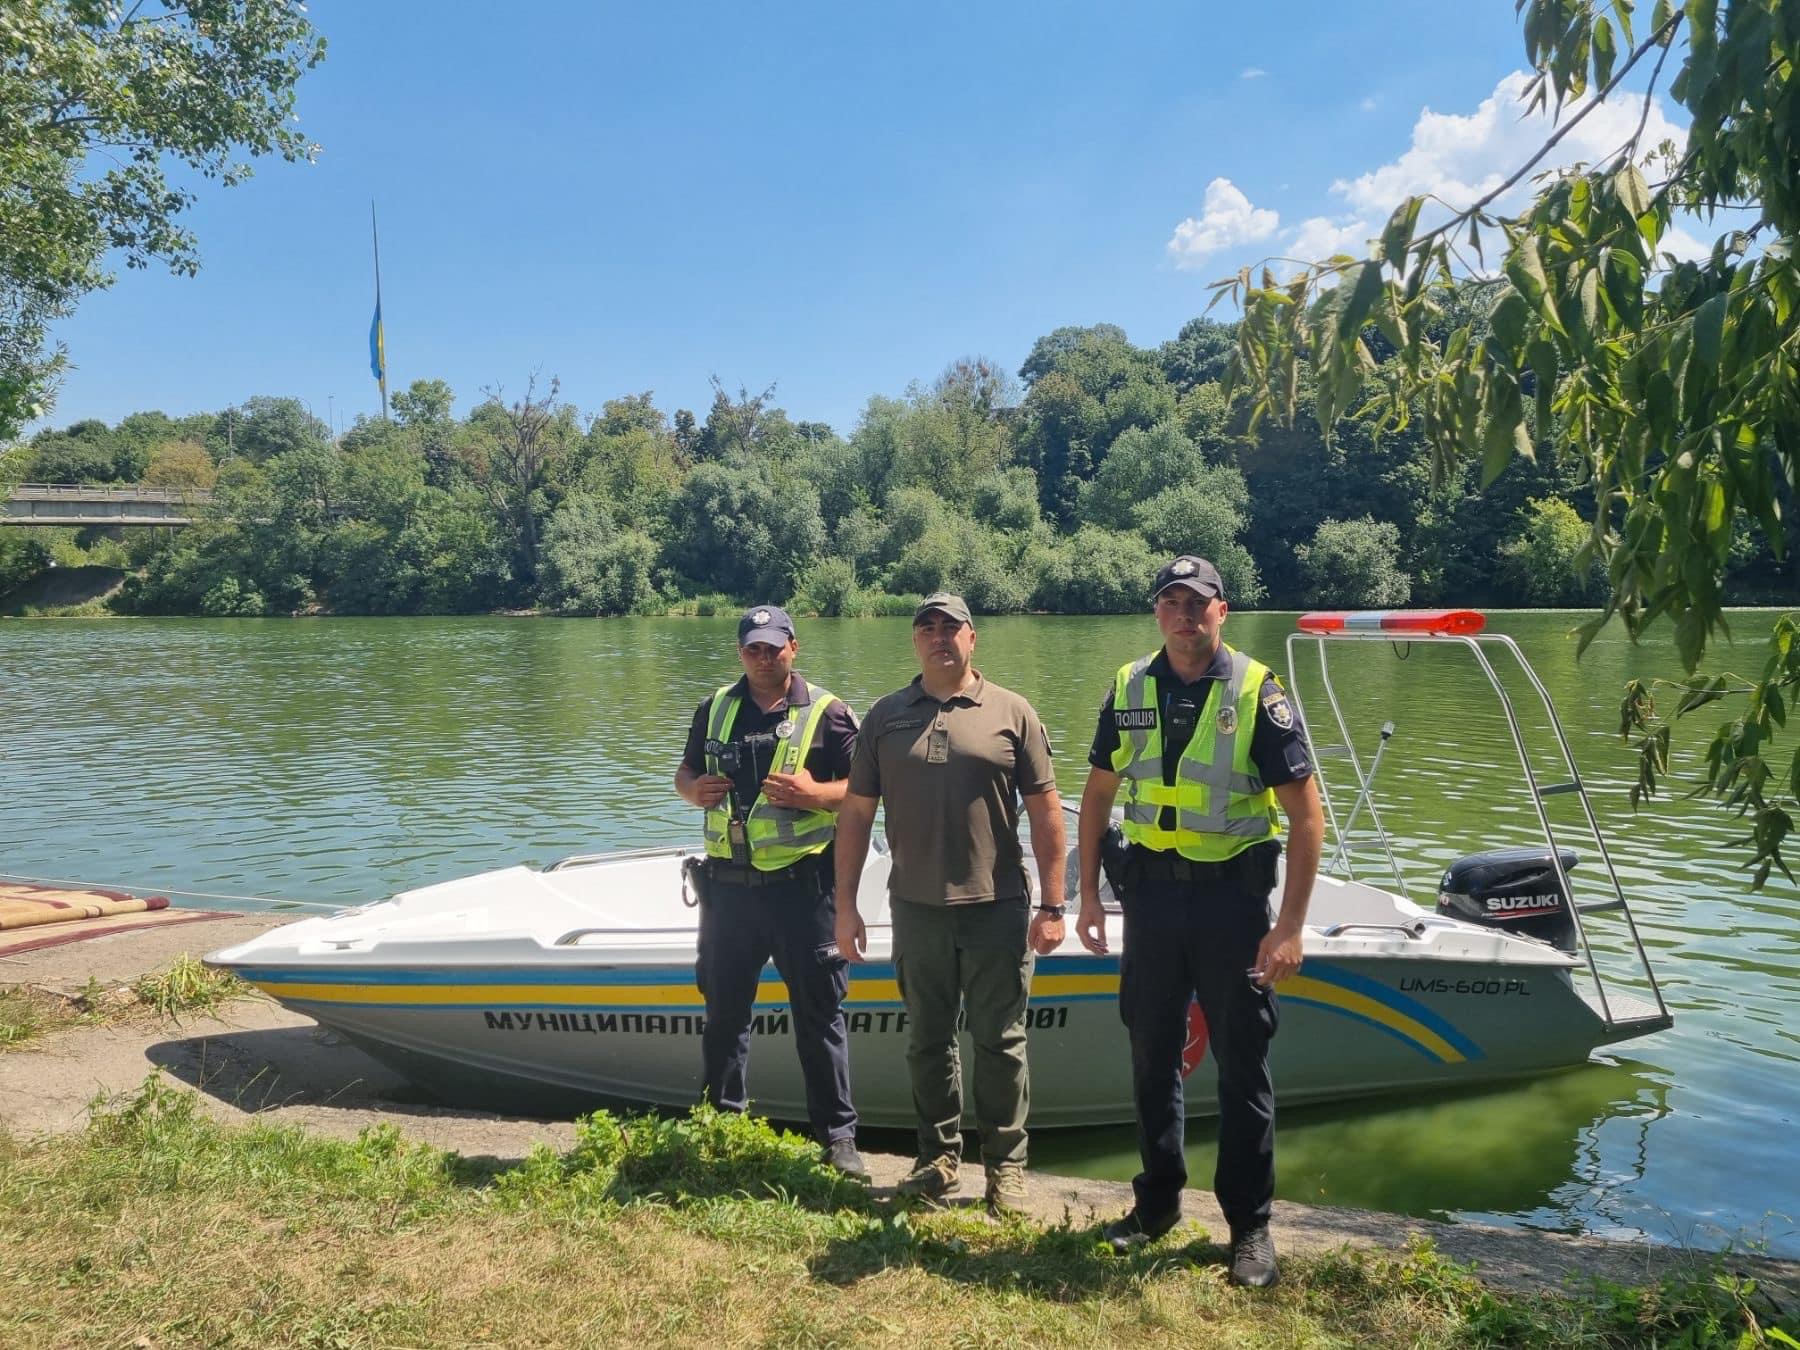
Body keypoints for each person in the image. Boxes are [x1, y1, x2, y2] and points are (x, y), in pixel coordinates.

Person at [1074, 556, 1323, 1288]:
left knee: (1242, 1063)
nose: (1184, 615)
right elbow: (1097, 796)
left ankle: (1249, 1227)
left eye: (1198, 602)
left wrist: (1290, 927)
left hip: (1231, 906)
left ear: (1223, 610)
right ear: (1158, 612)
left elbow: (1307, 818)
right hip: (1150, 901)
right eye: (1171, 602)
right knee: (1152, 1054)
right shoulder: (1129, 685)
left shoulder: (1256, 690)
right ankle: (1157, 1205)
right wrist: (1087, 896)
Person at [834, 592, 1067, 1218]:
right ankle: (937, 1161)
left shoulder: (1012, 712)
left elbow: (1047, 813)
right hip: (917, 908)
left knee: (1000, 1042)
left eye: (951, 627)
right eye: (927, 628)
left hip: (996, 905)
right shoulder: (885, 717)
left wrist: (1053, 904)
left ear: (972, 637)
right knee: (928, 1041)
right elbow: (855, 816)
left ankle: (1005, 1168)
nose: (939, 637)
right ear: (915, 640)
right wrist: (845, 906)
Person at [674, 604, 867, 1179]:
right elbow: (684, 773)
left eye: (773, 648)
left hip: (802, 891)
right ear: (741, 652)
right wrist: (693, 791)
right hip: (727, 892)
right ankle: (720, 1128)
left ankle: (838, 1140)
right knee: (724, 1015)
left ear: (793, 648)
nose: (763, 658)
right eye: (753, 649)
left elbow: (866, 790)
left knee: (820, 1017)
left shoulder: (829, 713)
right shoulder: (714, 708)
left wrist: (814, 795)